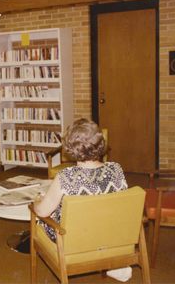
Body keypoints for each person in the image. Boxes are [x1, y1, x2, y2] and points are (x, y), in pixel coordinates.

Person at [34, 118, 132, 282]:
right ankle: (113, 263)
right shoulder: (116, 169)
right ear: (100, 143)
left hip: (75, 240)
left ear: (70, 148)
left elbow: (43, 211)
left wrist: (36, 201)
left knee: (39, 216)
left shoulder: (66, 177)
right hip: (111, 235)